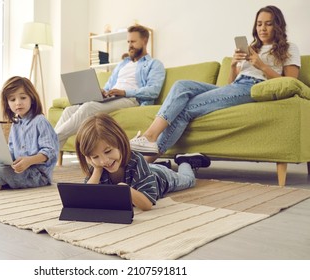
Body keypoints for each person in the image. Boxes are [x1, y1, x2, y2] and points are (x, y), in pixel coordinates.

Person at [130, 5, 301, 163]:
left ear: (277, 26)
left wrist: (261, 65)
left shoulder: (289, 48)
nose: (262, 28)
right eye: (259, 24)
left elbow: (290, 82)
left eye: (268, 24)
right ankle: (149, 139)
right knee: (182, 86)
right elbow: (230, 86)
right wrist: (234, 66)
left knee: (186, 108)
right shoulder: (253, 47)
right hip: (237, 86)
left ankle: (147, 156)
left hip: (255, 88)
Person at [55, 24, 165, 148]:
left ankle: (49, 140)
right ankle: (46, 160)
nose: (130, 45)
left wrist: (124, 92)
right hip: (113, 97)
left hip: (132, 99)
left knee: (88, 107)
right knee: (69, 110)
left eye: (133, 41)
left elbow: (153, 91)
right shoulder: (122, 64)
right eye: (128, 41)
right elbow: (109, 86)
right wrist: (103, 92)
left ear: (144, 41)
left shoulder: (154, 64)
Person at [75, 113, 210, 211]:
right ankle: (159, 166)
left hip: (161, 177)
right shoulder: (97, 166)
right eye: (95, 156)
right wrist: (97, 170)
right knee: (145, 169)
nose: (104, 161)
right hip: (146, 171)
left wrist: (126, 190)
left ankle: (184, 161)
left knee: (188, 180)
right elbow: (87, 197)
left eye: (108, 151)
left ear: (120, 142)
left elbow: (147, 204)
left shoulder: (136, 160)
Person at [0, 76, 59, 192]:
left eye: (23, 98)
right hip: (18, 169)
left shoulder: (40, 121)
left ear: (32, 99)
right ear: (7, 103)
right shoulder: (15, 124)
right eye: (12, 100)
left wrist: (29, 160)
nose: (18, 103)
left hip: (37, 175)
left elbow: (50, 152)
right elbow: (11, 151)